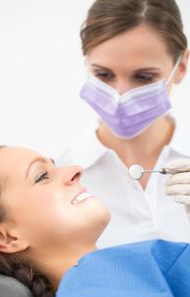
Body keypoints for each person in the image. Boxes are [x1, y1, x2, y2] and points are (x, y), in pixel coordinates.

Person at [0, 143, 190, 297]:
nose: (76, 169)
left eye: (55, 165)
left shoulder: (121, 272)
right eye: (41, 176)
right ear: (6, 237)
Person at [57, 0, 190, 247]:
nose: (121, 94)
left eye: (143, 77)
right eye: (104, 75)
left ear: (181, 67)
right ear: (86, 64)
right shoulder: (63, 178)